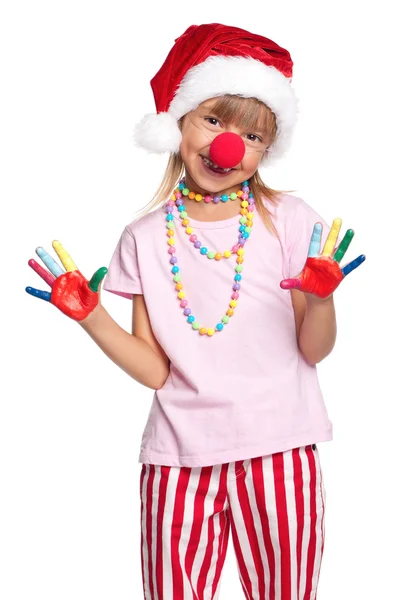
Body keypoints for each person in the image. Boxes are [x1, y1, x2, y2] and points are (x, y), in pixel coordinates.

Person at [26, 23, 365, 600]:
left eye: (251, 134)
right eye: (213, 120)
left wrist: (324, 300)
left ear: (266, 147)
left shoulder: (287, 219)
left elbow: (314, 349)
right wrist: (91, 318)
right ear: (177, 124)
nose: (229, 145)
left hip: (281, 448)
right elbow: (156, 371)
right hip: (177, 458)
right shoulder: (143, 236)